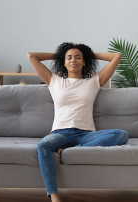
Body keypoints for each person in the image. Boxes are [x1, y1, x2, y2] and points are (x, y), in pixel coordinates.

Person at [27, 42, 129, 202]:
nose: (73, 60)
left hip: (86, 135)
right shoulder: (54, 81)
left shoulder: (94, 82)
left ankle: (74, 149)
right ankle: (53, 195)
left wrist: (88, 54)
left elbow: (117, 56)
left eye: (78, 57)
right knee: (43, 145)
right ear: (64, 62)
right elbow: (32, 56)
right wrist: (61, 55)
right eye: (69, 58)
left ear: (84, 62)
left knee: (121, 134)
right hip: (61, 133)